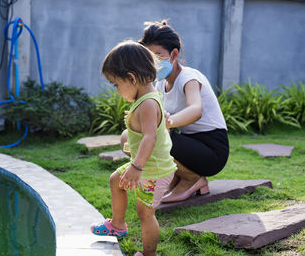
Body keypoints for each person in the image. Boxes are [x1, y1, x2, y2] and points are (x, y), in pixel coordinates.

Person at [121, 20, 229, 203]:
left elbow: (196, 110)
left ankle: (192, 178)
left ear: (174, 54)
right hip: (188, 145)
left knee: (157, 135)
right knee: (127, 137)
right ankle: (176, 179)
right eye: (149, 57)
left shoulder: (189, 77)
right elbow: (152, 113)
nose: (153, 62)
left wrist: (167, 122)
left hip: (212, 150)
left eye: (158, 55)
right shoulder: (160, 83)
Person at [90, 40, 177, 256]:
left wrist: (136, 167)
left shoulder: (147, 102)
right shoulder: (145, 99)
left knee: (145, 213)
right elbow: (145, 129)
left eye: (116, 84)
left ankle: (150, 254)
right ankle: (118, 225)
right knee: (115, 181)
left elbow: (150, 136)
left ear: (131, 78)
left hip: (152, 171)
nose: (117, 90)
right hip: (145, 166)